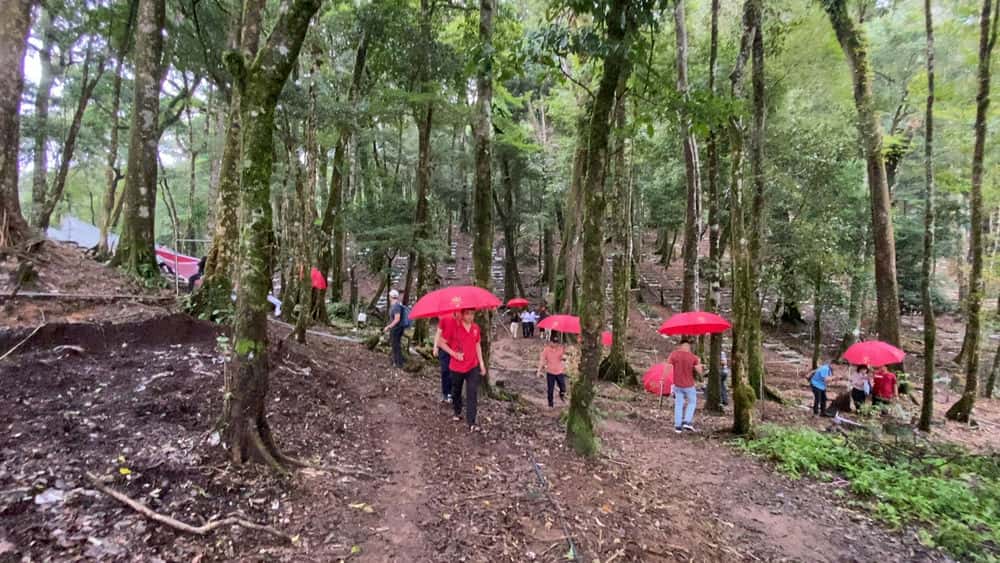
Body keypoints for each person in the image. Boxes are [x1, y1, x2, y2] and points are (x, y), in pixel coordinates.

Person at [438, 308, 488, 431]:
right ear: (462, 314)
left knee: (472, 392)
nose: (470, 317)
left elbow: (477, 345)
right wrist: (453, 353)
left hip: (472, 366)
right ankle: (457, 411)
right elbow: (441, 342)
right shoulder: (454, 327)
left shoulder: (476, 328)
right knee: (456, 390)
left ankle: (471, 421)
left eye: (472, 314)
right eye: (468, 314)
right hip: (457, 366)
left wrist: (481, 363)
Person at [668, 338, 703, 433]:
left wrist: (667, 381)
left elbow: (668, 367)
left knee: (679, 404)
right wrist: (699, 363)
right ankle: (687, 421)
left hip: (677, 384)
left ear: (680, 346)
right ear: (687, 346)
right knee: (692, 402)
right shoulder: (693, 357)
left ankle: (677, 426)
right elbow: (700, 372)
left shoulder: (674, 355)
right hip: (689, 385)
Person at [537, 331, 567, 407]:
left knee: (563, 387)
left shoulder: (560, 348)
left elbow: (563, 358)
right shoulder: (546, 350)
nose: (555, 344)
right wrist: (539, 371)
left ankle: (562, 396)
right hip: (550, 372)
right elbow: (542, 360)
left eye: (556, 342)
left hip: (559, 371)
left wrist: (563, 357)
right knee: (550, 389)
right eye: (553, 342)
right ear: (550, 342)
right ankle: (550, 404)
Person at [433, 313, 457, 404]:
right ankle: (445, 393)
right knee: (445, 370)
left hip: (455, 348)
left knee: (453, 371)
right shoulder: (444, 318)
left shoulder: (460, 318)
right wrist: (435, 347)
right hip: (443, 348)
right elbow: (438, 333)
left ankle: (452, 393)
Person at [383, 289, 405, 368]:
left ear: (391, 297)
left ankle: (398, 363)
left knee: (396, 345)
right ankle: (396, 361)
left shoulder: (396, 306)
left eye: (389, 296)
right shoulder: (395, 305)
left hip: (397, 329)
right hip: (395, 328)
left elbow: (397, 319)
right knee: (394, 345)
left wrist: (389, 327)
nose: (389, 297)